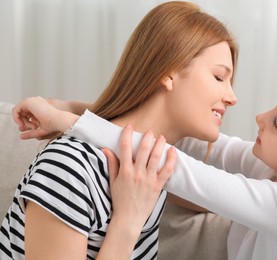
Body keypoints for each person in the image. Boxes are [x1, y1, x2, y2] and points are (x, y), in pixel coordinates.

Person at [10, 76, 277, 259]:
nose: (258, 115)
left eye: (275, 122)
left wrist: (68, 122)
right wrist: (73, 108)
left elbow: (181, 171)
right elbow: (178, 139)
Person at [0, 1, 240, 259]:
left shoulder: (150, 168)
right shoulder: (70, 167)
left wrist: (70, 109)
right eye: (218, 77)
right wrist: (129, 220)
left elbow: (223, 201)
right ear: (168, 71)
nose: (232, 97)